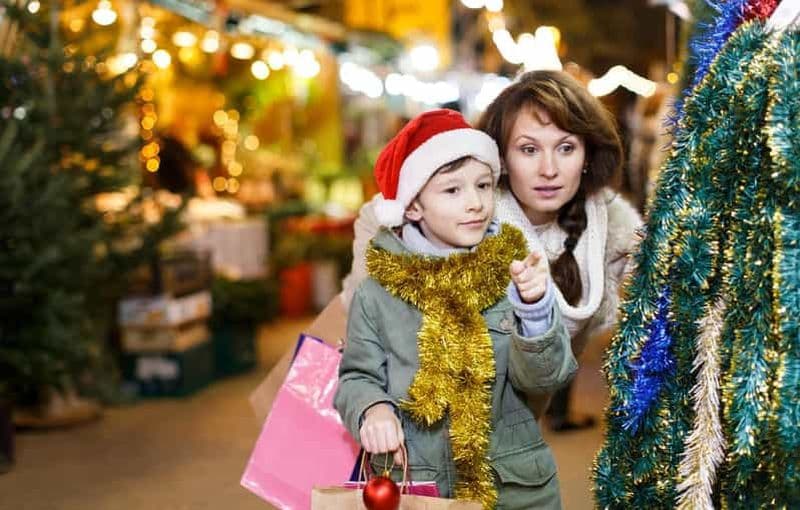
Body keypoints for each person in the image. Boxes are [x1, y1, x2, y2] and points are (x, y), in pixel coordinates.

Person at [341, 71, 642, 432]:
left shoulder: (612, 231)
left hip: (514, 432)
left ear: (588, 155)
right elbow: (379, 217)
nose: (549, 170)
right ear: (500, 156)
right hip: (409, 424)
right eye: (528, 149)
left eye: (566, 148)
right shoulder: (464, 214)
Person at [334, 109, 576, 509]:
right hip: (419, 487)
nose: (475, 204)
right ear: (412, 207)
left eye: (483, 186)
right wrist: (371, 408)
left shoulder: (514, 270)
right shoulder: (376, 294)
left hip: (516, 489)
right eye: (452, 191)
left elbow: (544, 380)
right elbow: (356, 376)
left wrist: (535, 310)